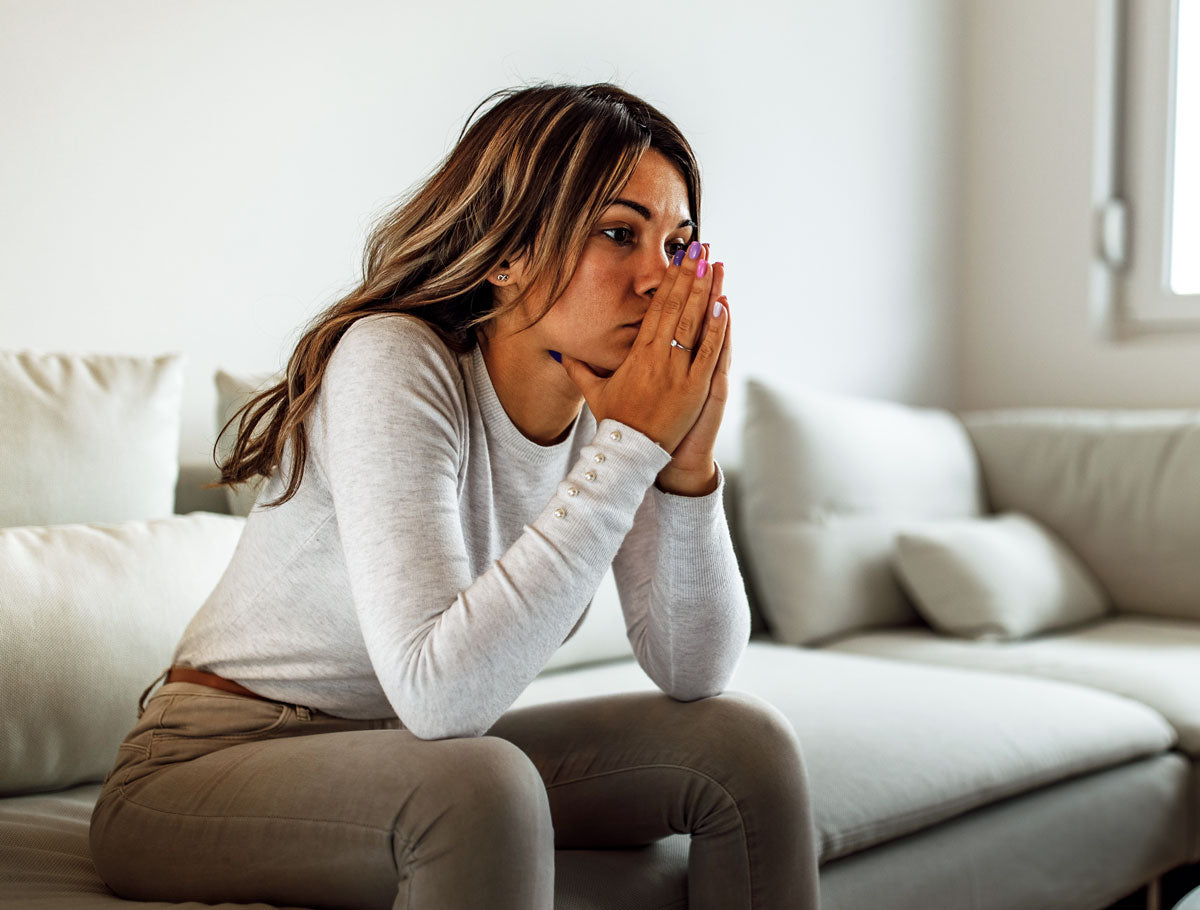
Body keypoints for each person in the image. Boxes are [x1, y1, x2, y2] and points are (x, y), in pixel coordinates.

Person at [88, 82, 819, 909]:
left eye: (679, 245)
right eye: (621, 234)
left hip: (396, 751)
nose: (660, 278)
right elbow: (441, 696)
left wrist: (684, 463)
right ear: (507, 254)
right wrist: (631, 451)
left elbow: (695, 668)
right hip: (200, 766)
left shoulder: (613, 412)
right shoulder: (394, 358)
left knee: (745, 747)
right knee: (484, 784)